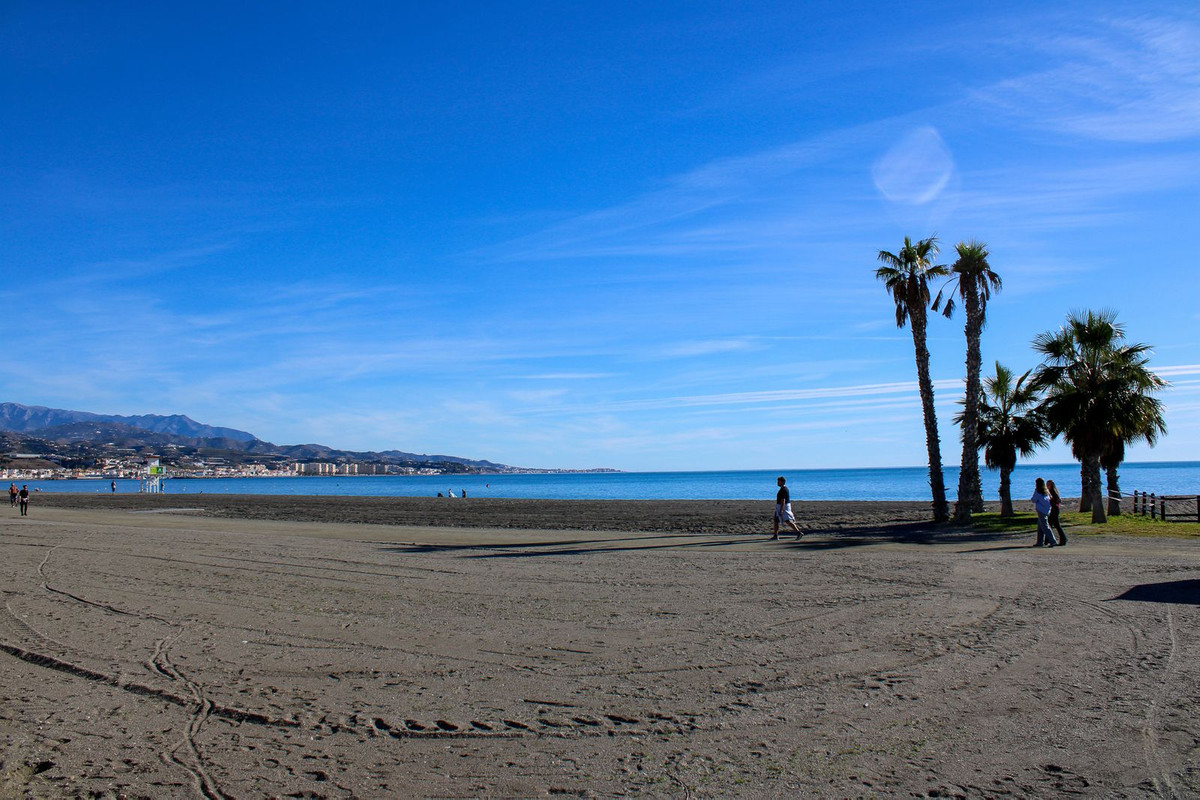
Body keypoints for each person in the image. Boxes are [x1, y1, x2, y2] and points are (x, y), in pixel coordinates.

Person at [771, 476, 803, 540]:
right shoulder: (783, 489)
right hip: (781, 506)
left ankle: (798, 532)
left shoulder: (783, 490)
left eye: (779, 481)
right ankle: (775, 535)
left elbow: (783, 500)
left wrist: (781, 510)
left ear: (782, 482)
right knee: (776, 520)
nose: (777, 482)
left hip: (783, 507)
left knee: (788, 521)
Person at [1031, 478, 1054, 547]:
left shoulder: (1037, 491)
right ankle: (1039, 542)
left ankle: (1053, 541)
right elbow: (1050, 498)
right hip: (1047, 510)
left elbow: (1034, 499)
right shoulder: (1046, 491)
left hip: (1041, 510)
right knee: (1040, 527)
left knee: (1045, 526)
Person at [1047, 479, 1067, 546]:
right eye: (1047, 484)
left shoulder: (1053, 493)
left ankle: (1063, 539)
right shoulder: (1050, 492)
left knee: (1056, 525)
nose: (1047, 486)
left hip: (1054, 510)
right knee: (1050, 524)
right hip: (1053, 509)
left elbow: (1057, 501)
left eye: (1049, 485)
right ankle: (1048, 540)